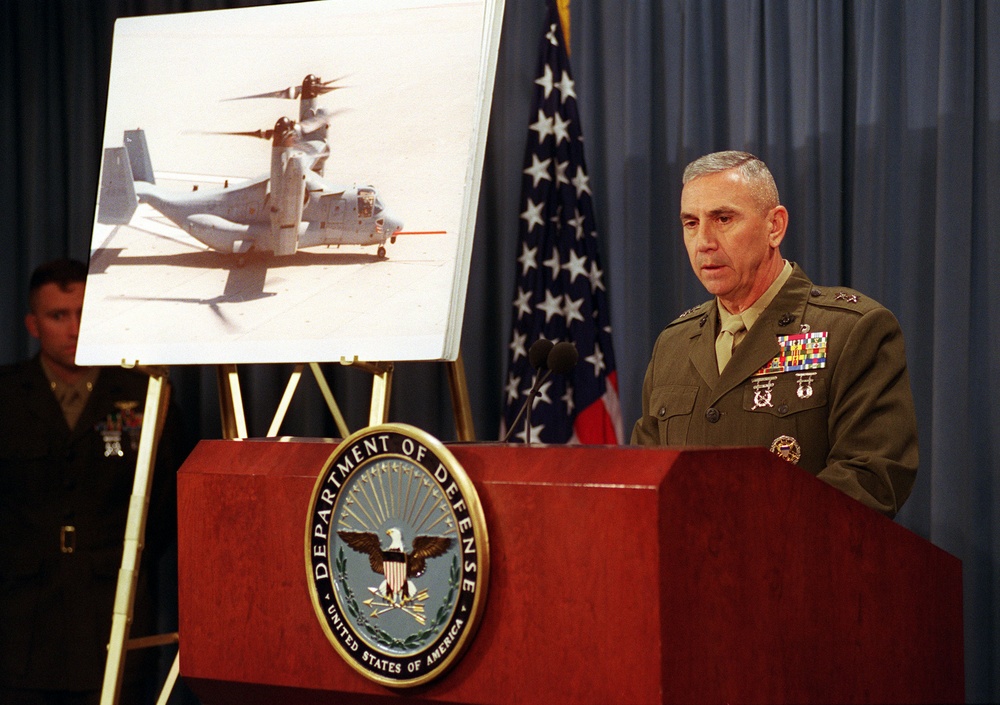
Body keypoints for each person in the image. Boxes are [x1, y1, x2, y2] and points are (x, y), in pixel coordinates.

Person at [631, 151, 917, 517]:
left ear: (775, 226)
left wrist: (747, 536)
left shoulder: (852, 329)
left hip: (797, 566)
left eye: (723, 218)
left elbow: (873, 476)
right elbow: (645, 478)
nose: (704, 241)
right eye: (690, 223)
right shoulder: (673, 343)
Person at [0, 258, 181, 704]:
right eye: (58, 315)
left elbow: (164, 504)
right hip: (21, 619)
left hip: (110, 613)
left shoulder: (143, 393)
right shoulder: (4, 396)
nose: (74, 328)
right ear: (33, 324)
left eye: (84, 313)